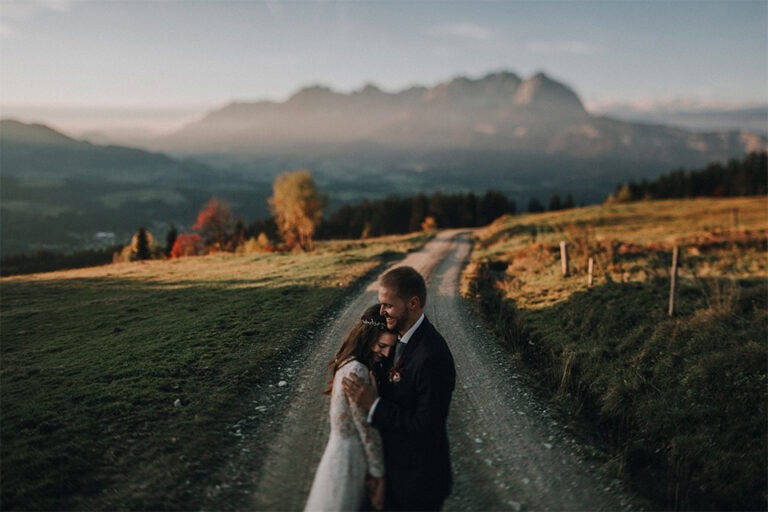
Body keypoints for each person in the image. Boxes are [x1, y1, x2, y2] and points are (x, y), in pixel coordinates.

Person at [343, 266, 456, 511]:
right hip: (393, 471)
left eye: (388, 305)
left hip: (419, 481)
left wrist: (374, 405)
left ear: (413, 303)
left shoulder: (432, 356)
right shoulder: (397, 338)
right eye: (381, 304)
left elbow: (426, 426)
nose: (382, 311)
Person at [304, 304, 398, 512]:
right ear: (368, 337)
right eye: (382, 346)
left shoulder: (347, 362)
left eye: (390, 348)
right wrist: (379, 473)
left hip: (338, 453)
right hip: (351, 460)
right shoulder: (358, 371)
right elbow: (366, 429)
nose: (385, 353)